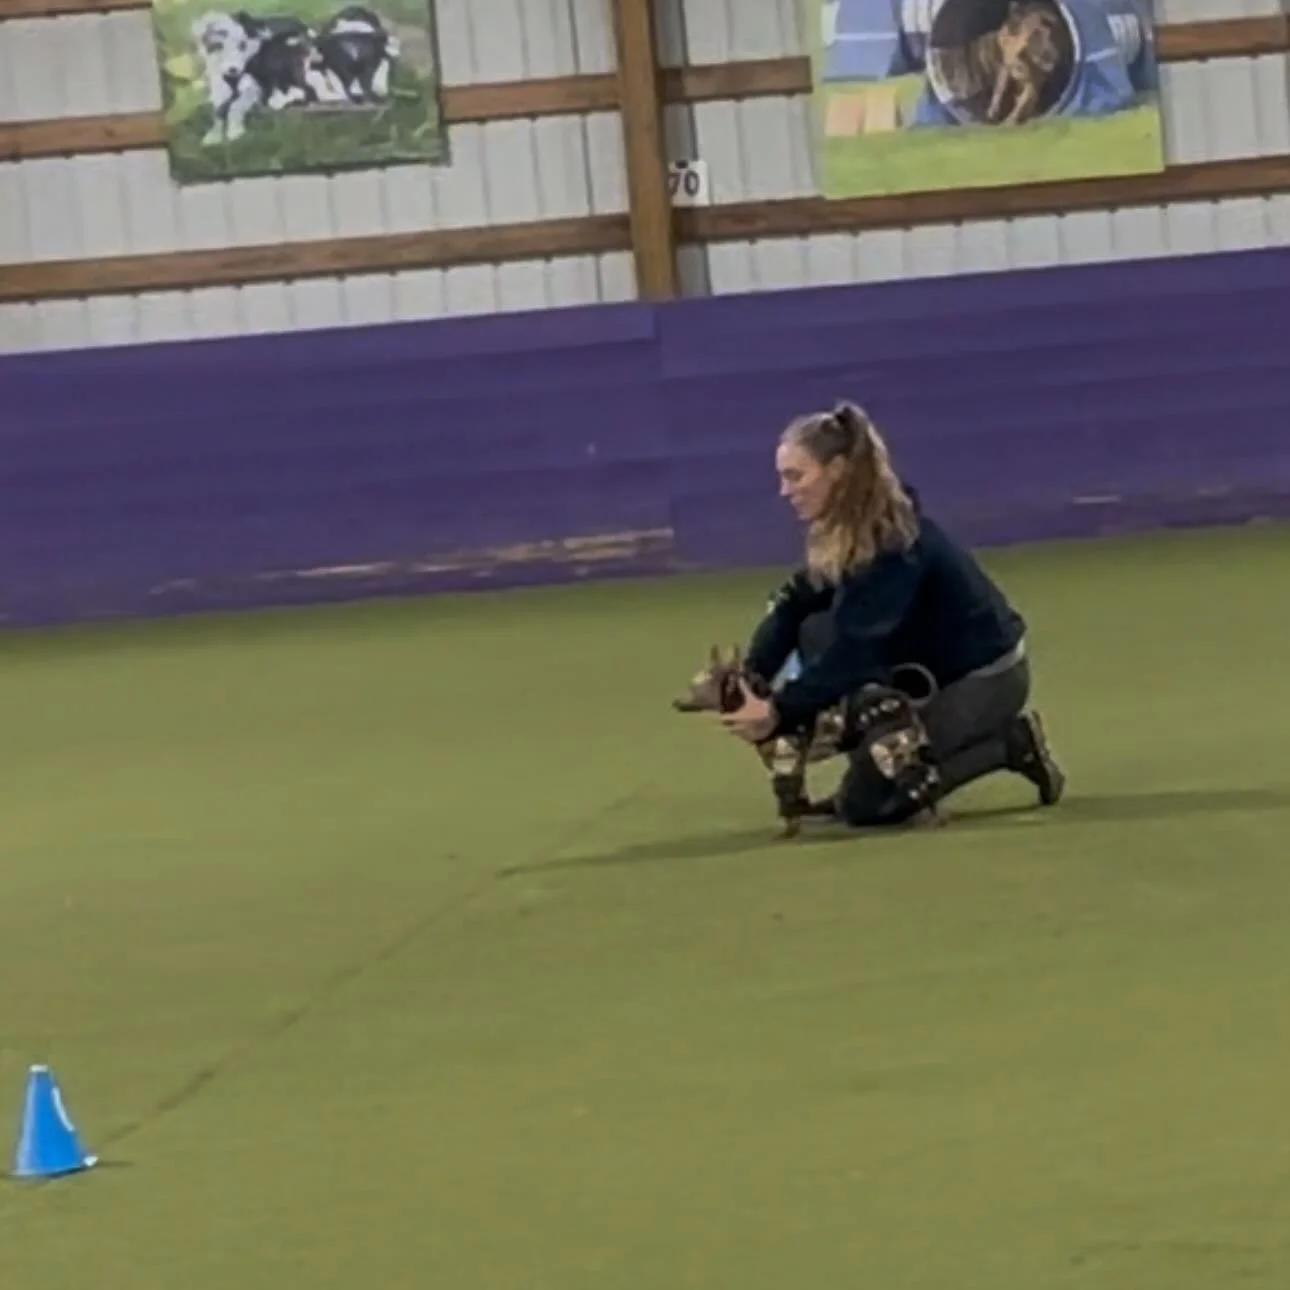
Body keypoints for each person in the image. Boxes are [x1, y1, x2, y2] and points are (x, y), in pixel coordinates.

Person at [719, 401, 1065, 827]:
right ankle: (881, 760)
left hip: (984, 677)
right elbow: (794, 604)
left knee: (869, 806)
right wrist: (754, 679)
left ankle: (1011, 744)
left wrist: (779, 713)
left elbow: (856, 651)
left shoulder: (890, 542)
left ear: (838, 470)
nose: (785, 490)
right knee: (814, 629)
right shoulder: (844, 528)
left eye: (795, 476)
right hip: (926, 668)